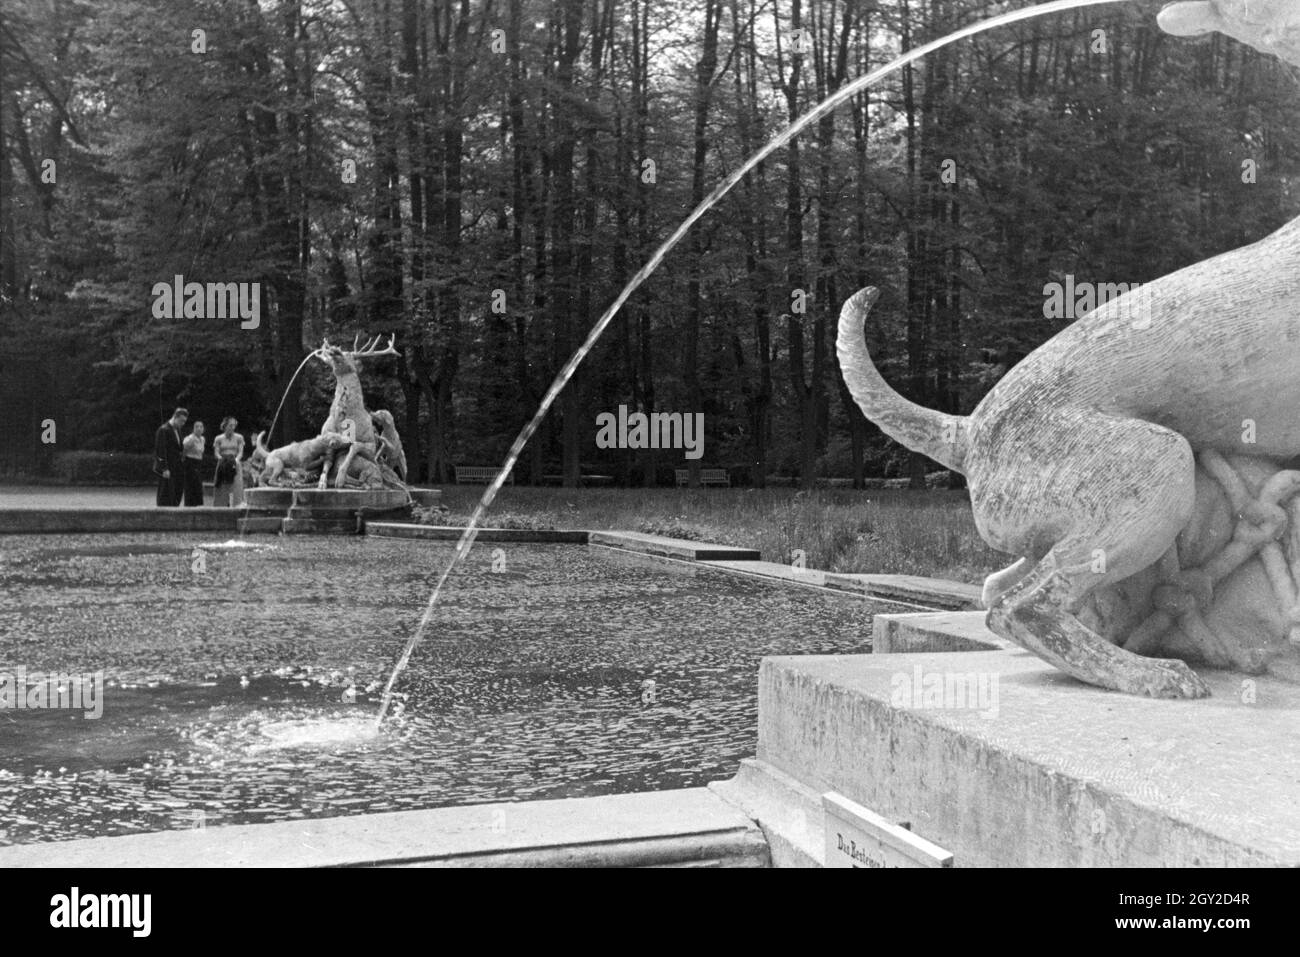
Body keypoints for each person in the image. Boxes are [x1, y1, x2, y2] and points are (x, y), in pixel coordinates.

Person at [153, 408, 187, 506]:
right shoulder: (163, 430)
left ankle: (174, 513)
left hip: (176, 468)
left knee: (176, 493)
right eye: (182, 421)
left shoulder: (178, 430)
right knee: (165, 494)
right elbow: (160, 451)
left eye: (184, 421)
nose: (183, 423)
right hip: (167, 469)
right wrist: (164, 468)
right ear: (175, 417)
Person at [212, 416, 246, 507]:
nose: (232, 428)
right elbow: (216, 453)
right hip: (223, 461)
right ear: (225, 426)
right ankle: (220, 506)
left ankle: (236, 505)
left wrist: (236, 460)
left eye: (234, 425)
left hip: (235, 462)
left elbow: (240, 452)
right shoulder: (218, 438)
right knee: (221, 487)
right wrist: (222, 460)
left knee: (236, 487)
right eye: (230, 425)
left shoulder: (239, 437)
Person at [182, 420, 206, 506]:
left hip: (198, 463)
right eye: (197, 427)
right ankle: (189, 506)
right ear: (193, 429)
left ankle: (198, 505)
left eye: (201, 427)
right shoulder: (190, 439)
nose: (199, 429)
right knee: (190, 486)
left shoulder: (202, 439)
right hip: (190, 463)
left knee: (198, 486)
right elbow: (184, 451)